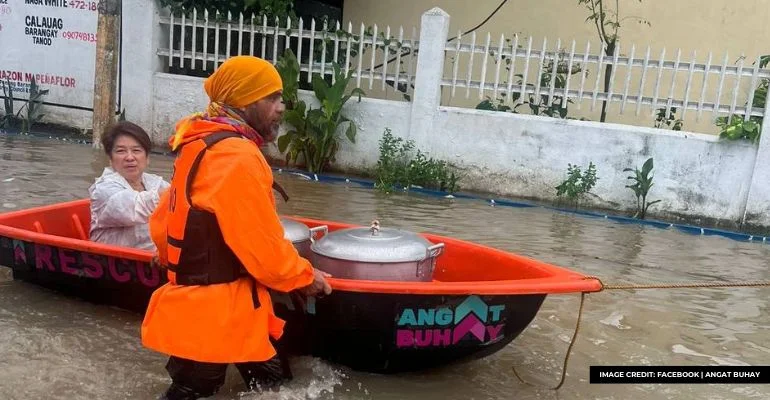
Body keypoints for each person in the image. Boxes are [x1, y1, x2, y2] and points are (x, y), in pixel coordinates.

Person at [141, 55, 332, 400]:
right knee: (203, 390)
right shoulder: (237, 156)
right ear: (244, 102)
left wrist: (168, 257)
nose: (281, 107)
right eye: (272, 98)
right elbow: (262, 248)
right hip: (214, 309)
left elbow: (165, 218)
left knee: (275, 386)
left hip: (231, 304)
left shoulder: (199, 142)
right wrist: (306, 277)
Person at [89, 121, 170, 251]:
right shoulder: (104, 189)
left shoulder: (156, 183)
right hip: (115, 262)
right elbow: (137, 206)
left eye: (136, 150)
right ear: (111, 159)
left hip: (154, 260)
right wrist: (181, 188)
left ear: (147, 158)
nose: (130, 157)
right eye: (121, 151)